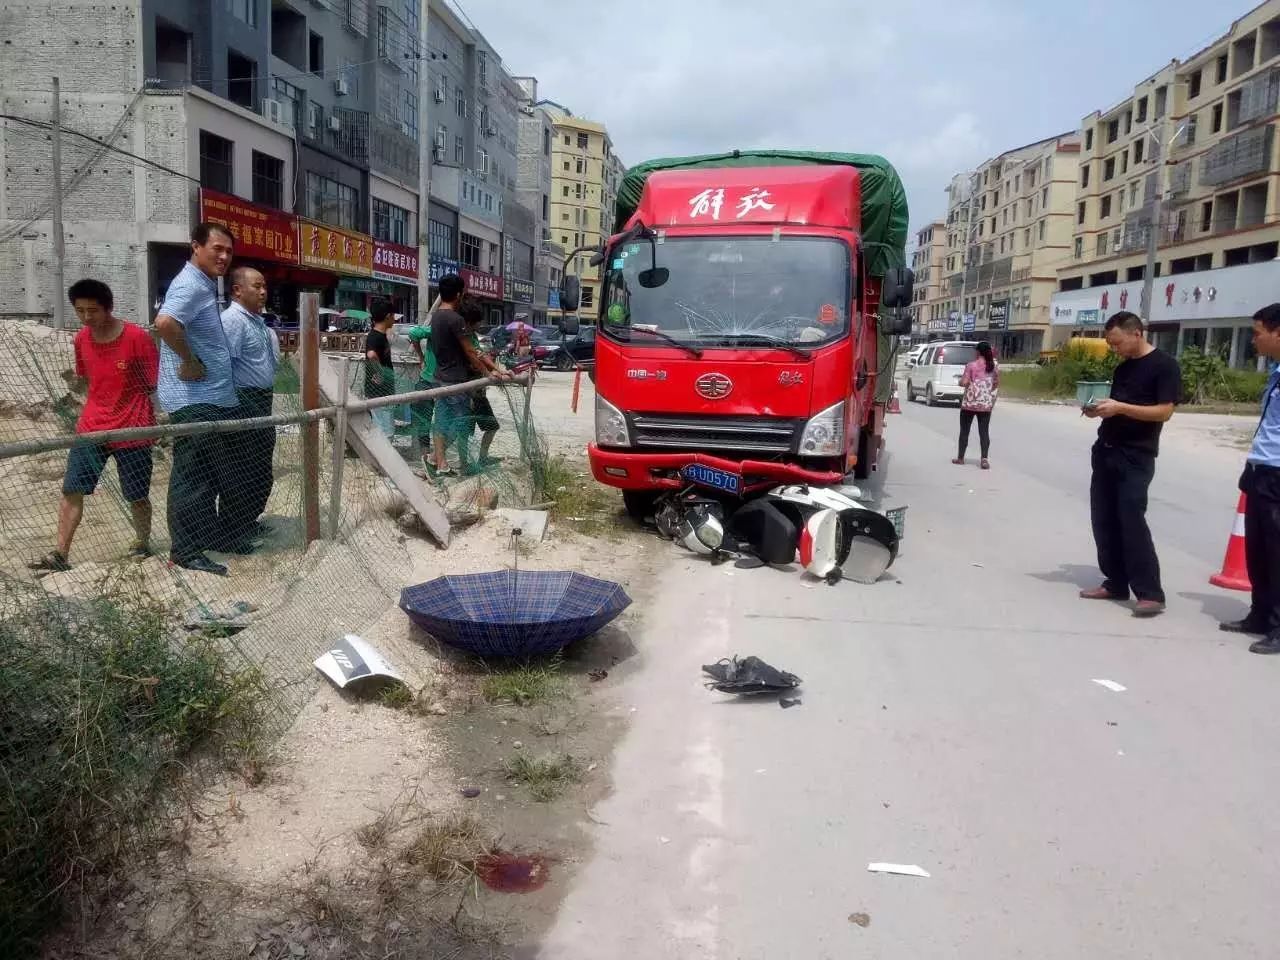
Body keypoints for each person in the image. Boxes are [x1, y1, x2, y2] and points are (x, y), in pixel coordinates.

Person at [29, 280, 159, 574]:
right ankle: (60, 554)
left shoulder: (137, 338)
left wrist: (151, 421)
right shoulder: (81, 341)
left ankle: (142, 541)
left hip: (133, 428)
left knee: (136, 494)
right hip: (92, 427)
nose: (87, 318)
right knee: (72, 489)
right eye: (80, 311)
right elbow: (86, 378)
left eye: (93, 311)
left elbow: (152, 383)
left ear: (108, 308)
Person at [1080, 311, 1181, 617]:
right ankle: (1116, 581)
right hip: (1107, 449)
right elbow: (1118, 408)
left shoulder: (1164, 366)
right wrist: (1098, 410)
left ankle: (1150, 592)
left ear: (1136, 334)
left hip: (1136, 455)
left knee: (1131, 519)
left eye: (1117, 343)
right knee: (1104, 518)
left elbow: (1164, 412)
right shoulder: (1123, 368)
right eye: (1111, 345)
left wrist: (1120, 407)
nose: (1114, 349)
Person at [154, 222, 239, 576]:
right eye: (216, 248)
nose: (223, 256)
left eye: (228, 251)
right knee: (192, 477)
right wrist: (188, 360)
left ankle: (200, 540)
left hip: (206, 397)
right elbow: (165, 323)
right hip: (193, 398)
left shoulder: (203, 285)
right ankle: (186, 552)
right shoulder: (190, 285)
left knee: (204, 474)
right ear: (196, 247)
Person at [1221, 303, 1280, 653]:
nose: (1253, 340)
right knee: (1257, 550)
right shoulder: (1276, 371)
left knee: (1277, 552)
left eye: (1258, 333)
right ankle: (1259, 614)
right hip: (1261, 468)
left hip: (1278, 472)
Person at [218, 266, 280, 549]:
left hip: (262, 401)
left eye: (264, 285)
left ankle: (247, 520)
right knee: (240, 467)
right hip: (242, 402)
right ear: (238, 290)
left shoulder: (258, 323)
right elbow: (223, 367)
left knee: (260, 467)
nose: (263, 291)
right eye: (256, 286)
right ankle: (231, 531)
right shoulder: (232, 321)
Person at [430, 284, 511, 478]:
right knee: (460, 427)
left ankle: (439, 460)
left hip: (451, 382)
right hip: (463, 385)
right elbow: (474, 353)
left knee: (449, 424)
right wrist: (488, 372)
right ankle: (443, 460)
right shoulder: (457, 324)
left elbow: (479, 353)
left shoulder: (439, 318)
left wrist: (497, 369)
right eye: (476, 323)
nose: (478, 326)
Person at [954, 340, 999, 469]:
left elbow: (965, 382)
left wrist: (960, 382)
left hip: (970, 403)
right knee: (984, 432)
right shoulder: (993, 367)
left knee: (964, 431)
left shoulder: (971, 366)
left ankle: (960, 458)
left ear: (978, 352)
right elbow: (996, 383)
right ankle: (984, 459)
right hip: (985, 404)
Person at [364, 301, 397, 437]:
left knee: (384, 429)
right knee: (385, 432)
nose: (394, 319)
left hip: (383, 392)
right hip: (379, 393)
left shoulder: (380, 336)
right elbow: (371, 355)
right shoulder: (375, 337)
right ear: (388, 316)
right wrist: (381, 373)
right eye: (393, 315)